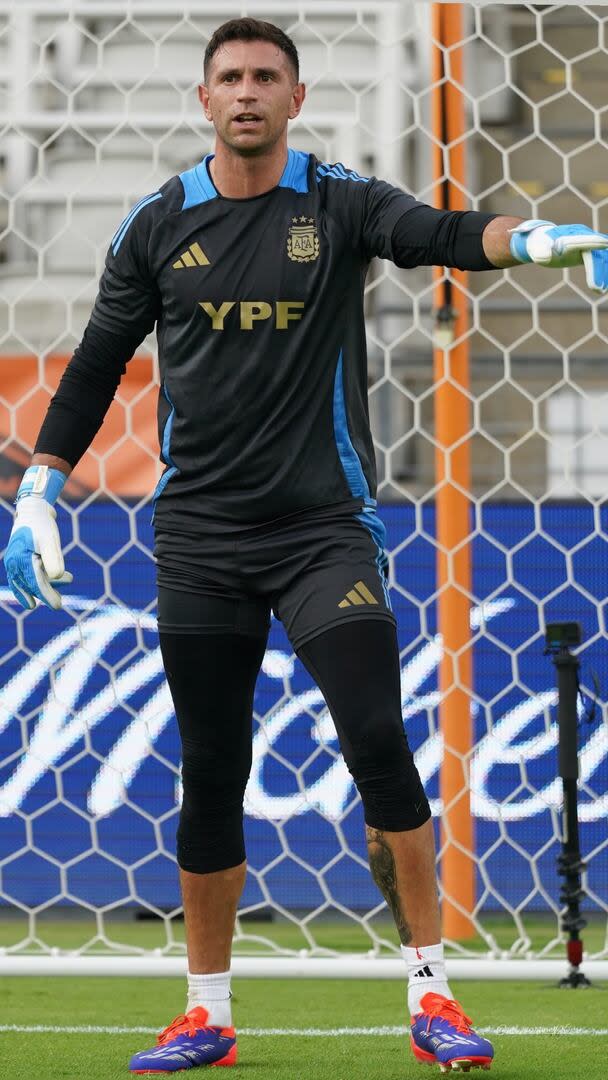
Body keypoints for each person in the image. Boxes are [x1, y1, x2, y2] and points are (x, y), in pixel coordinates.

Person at [4, 16, 607, 1075]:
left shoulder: (337, 202)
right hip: (197, 536)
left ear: (293, 96)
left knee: (376, 737)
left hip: (323, 530)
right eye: (228, 77)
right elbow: (97, 363)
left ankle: (431, 992)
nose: (245, 92)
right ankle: (205, 1011)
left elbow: (447, 234)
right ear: (203, 100)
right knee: (210, 769)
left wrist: (542, 238)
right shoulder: (156, 226)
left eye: (264, 77)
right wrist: (41, 492)